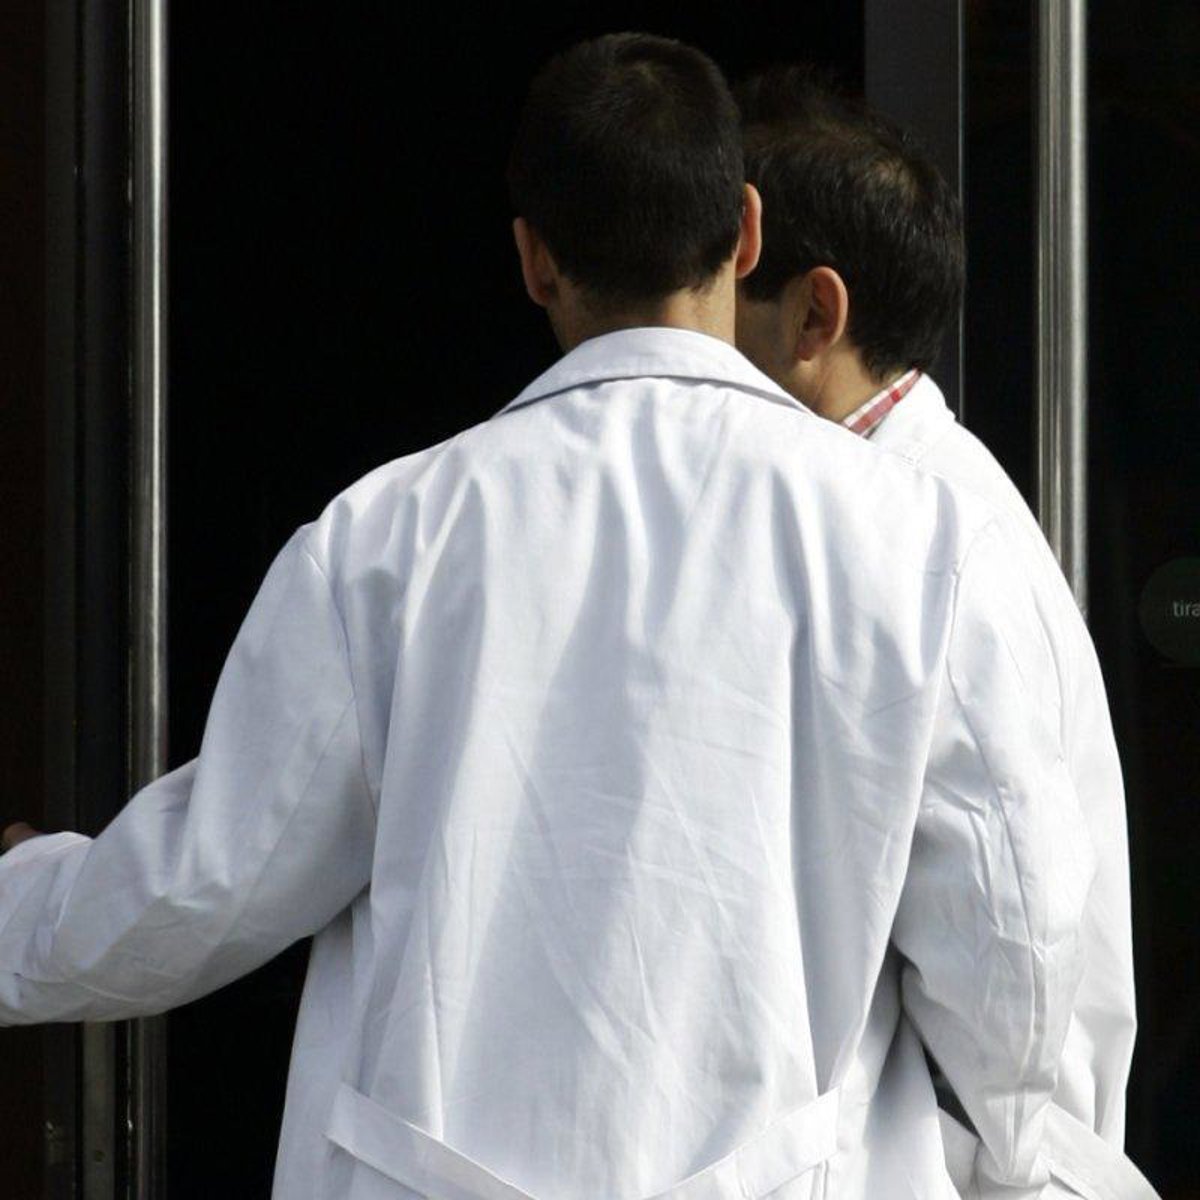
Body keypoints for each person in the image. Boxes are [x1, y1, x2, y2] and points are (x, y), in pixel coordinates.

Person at [0, 33, 1141, 1199]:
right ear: (746, 231)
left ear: (535, 262)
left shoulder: (385, 541)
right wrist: (1014, 1153)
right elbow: (1014, 931)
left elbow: (201, 884)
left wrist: (18, 910)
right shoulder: (919, 542)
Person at [734, 65, 1151, 1195]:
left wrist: (1003, 1159)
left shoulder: (935, 542)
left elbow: (1012, 949)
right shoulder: (878, 508)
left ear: (814, 316)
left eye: (715, 291)